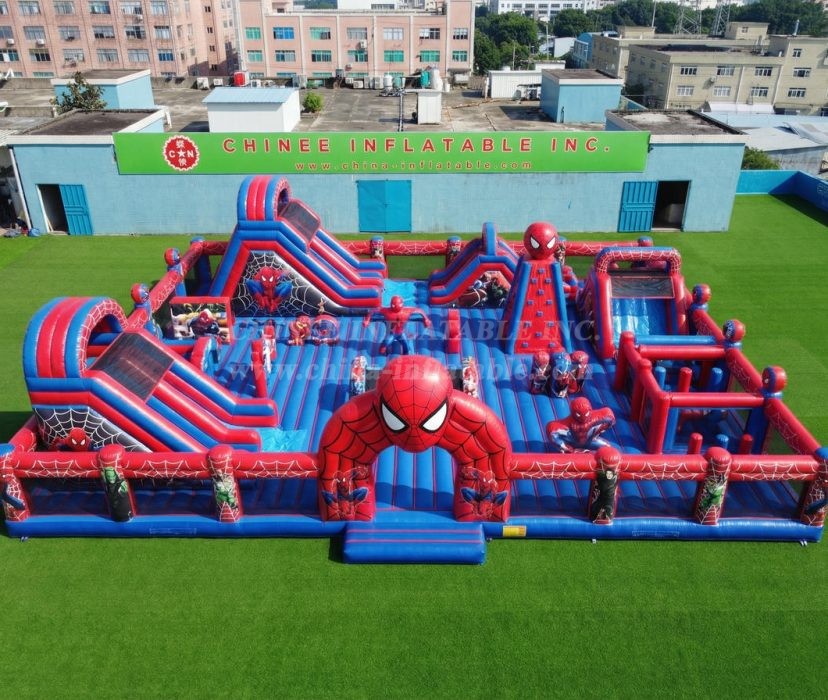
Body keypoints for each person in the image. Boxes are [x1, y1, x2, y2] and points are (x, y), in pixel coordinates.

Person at [363, 295, 431, 356]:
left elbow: (420, 311)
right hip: (391, 333)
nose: (396, 306)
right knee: (384, 345)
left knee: (406, 347)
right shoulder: (387, 311)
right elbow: (373, 311)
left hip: (401, 333)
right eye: (394, 305)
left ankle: (405, 355)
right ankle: (382, 353)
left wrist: (426, 319)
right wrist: (367, 320)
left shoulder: (406, 311)